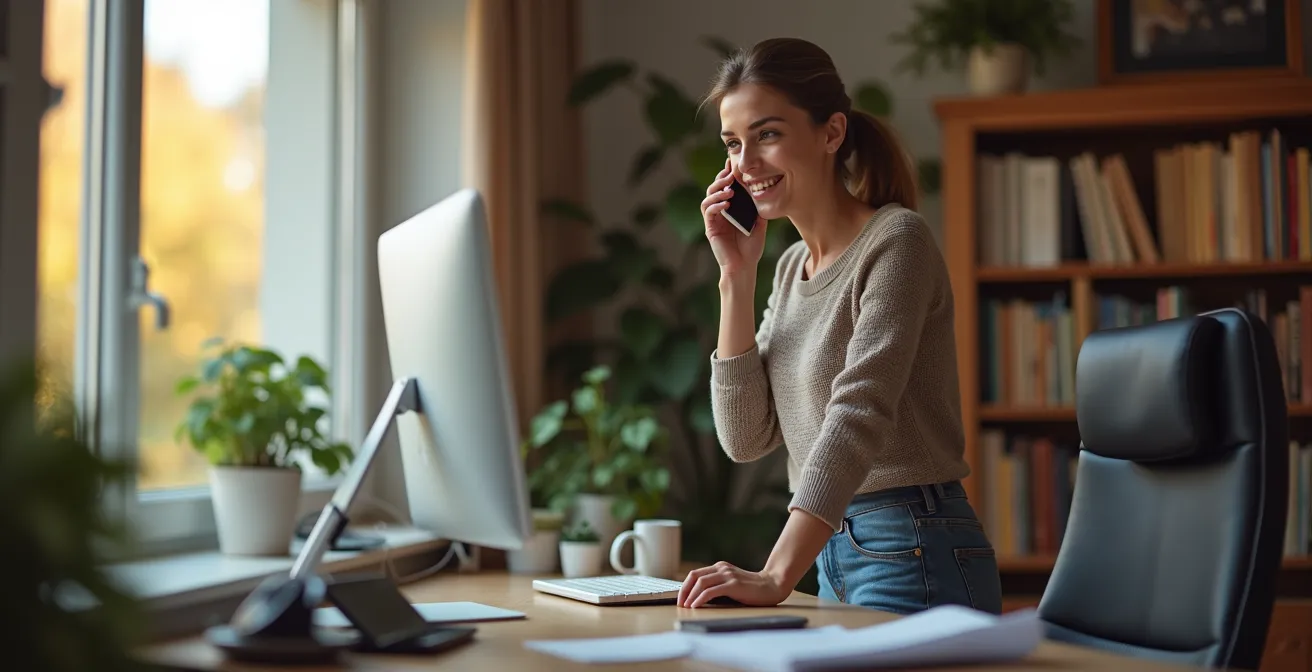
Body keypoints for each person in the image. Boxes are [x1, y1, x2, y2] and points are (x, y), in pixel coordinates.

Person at [675, 37, 1002, 616]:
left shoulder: (897, 242)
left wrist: (776, 574)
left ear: (831, 133)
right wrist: (735, 277)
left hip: (911, 545)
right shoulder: (788, 268)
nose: (745, 163)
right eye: (733, 143)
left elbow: (859, 412)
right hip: (829, 552)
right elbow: (746, 438)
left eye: (767, 135)